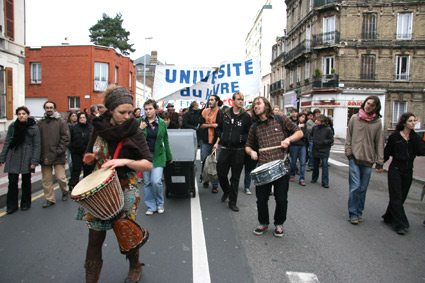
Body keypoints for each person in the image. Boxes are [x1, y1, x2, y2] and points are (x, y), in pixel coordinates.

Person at [80, 85, 153, 283]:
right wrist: (89, 158)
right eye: (122, 112)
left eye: (130, 112)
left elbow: (147, 164)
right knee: (95, 238)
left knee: (125, 234)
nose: (128, 116)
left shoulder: (134, 131)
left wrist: (124, 161)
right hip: (100, 190)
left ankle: (135, 266)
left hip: (124, 187)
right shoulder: (98, 127)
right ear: (110, 110)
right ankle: (91, 278)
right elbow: (89, 153)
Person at [245, 96, 303, 237]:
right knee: (261, 199)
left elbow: (299, 132)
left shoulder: (280, 119)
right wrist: (252, 152)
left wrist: (288, 139)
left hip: (281, 166)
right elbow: (247, 146)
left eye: (258, 103)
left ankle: (279, 224)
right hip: (264, 166)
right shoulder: (254, 127)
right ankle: (263, 223)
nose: (256, 106)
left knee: (281, 198)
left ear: (266, 105)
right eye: (254, 105)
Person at [382, 113, 425, 234]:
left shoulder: (414, 138)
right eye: (410, 121)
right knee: (396, 196)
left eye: (414, 121)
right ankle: (400, 224)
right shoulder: (395, 137)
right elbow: (387, 152)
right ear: (404, 122)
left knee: (402, 197)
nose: (413, 123)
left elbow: (421, 151)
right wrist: (379, 164)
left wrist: (415, 135)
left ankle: (389, 216)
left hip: (408, 170)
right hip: (395, 169)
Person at [345, 95, 384, 225]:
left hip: (368, 160)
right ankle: (353, 213)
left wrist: (380, 161)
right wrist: (349, 153)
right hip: (354, 158)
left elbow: (379, 142)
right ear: (364, 103)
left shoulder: (377, 123)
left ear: (376, 108)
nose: (369, 106)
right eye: (368, 103)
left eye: (373, 105)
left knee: (363, 188)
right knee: (355, 187)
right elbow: (349, 136)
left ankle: (359, 211)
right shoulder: (355, 118)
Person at [0, 106, 41, 214]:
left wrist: (34, 161)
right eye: (19, 114)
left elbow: (37, 145)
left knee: (26, 181)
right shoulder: (12, 126)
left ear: (27, 114)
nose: (21, 115)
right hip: (13, 155)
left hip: (27, 156)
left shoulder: (34, 127)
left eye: (23, 113)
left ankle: (25, 203)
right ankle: (12, 206)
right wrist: (2, 158)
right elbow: (7, 143)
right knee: (12, 181)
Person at [216, 92, 252, 212]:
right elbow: (218, 128)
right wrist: (222, 136)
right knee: (221, 173)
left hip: (238, 151)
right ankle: (226, 190)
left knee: (235, 178)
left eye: (242, 99)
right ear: (233, 101)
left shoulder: (246, 116)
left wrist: (241, 139)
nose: (241, 101)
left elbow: (249, 133)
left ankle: (232, 202)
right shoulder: (225, 114)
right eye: (238, 99)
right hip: (225, 149)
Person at [140, 99, 173, 215]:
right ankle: (151, 206)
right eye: (146, 109)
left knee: (156, 181)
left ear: (155, 109)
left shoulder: (162, 123)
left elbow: (166, 140)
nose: (148, 111)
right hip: (145, 156)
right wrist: (140, 129)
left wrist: (169, 156)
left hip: (158, 155)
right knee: (147, 182)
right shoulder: (140, 122)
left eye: (150, 109)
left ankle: (160, 203)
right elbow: (134, 139)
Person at [38, 101, 70, 208]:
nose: (49, 109)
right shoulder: (40, 123)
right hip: (45, 156)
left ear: (55, 109)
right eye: (47, 108)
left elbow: (66, 138)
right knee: (46, 180)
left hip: (58, 155)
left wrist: (58, 151)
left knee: (60, 177)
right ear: (44, 109)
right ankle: (50, 199)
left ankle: (65, 191)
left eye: (51, 107)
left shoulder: (61, 122)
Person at [199, 95, 223, 193]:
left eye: (212, 100)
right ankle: (205, 179)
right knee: (205, 161)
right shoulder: (205, 111)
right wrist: (212, 125)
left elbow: (221, 129)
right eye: (209, 100)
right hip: (205, 141)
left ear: (217, 101)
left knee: (214, 163)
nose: (210, 101)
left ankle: (214, 185)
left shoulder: (221, 113)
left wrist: (217, 143)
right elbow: (201, 125)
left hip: (216, 142)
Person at [68, 112, 94, 191]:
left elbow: (93, 139)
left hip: (87, 152)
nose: (82, 119)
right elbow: (70, 139)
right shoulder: (73, 128)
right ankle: (73, 185)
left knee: (87, 169)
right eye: (80, 118)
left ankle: (87, 185)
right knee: (76, 169)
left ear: (86, 118)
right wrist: (72, 147)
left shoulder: (91, 128)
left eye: (84, 117)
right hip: (76, 152)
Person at [310, 114, 334, 188]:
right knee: (315, 165)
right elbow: (311, 135)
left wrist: (324, 142)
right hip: (316, 148)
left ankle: (325, 182)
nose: (316, 121)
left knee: (325, 165)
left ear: (321, 121)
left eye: (318, 120)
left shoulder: (328, 129)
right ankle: (314, 178)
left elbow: (331, 140)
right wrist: (313, 139)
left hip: (324, 149)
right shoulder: (315, 128)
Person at [289, 113, 308, 186]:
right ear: (299, 117)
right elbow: (291, 134)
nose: (303, 119)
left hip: (302, 145)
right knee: (293, 162)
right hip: (294, 145)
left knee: (302, 163)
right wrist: (298, 127)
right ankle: (292, 174)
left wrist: (301, 135)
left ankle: (302, 178)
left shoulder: (305, 125)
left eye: (304, 117)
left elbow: (306, 135)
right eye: (302, 117)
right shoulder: (294, 124)